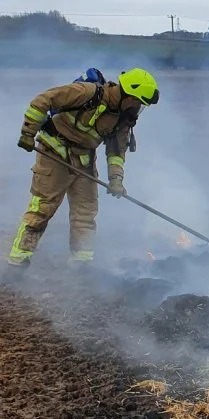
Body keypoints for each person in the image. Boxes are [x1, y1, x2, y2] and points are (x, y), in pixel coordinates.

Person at [9, 68, 159, 269]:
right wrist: (28, 132)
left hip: (84, 160)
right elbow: (43, 100)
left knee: (85, 212)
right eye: (139, 103)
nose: (139, 108)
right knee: (43, 208)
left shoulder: (123, 119)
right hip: (54, 152)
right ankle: (18, 261)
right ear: (129, 97)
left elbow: (116, 152)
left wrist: (116, 180)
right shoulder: (87, 93)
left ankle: (81, 263)